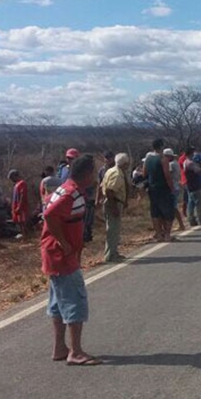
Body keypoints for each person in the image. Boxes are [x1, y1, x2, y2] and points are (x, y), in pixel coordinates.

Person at [41, 154, 101, 366]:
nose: (95, 176)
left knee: (58, 302)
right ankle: (75, 352)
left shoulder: (66, 187)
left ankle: (60, 347)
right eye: (93, 172)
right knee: (75, 300)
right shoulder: (71, 192)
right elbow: (49, 214)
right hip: (61, 255)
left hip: (54, 253)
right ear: (86, 174)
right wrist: (64, 243)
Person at [143, 138, 175, 242]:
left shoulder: (148, 158)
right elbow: (167, 175)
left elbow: (144, 173)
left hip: (152, 188)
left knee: (155, 211)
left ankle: (159, 234)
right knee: (168, 211)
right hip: (163, 188)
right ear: (161, 146)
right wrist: (172, 187)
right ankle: (167, 234)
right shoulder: (163, 159)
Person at [101, 153, 130, 263]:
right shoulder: (117, 174)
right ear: (124, 163)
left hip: (115, 202)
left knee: (115, 229)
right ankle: (110, 255)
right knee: (112, 230)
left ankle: (114, 252)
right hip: (113, 202)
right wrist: (114, 207)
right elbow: (109, 190)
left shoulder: (111, 170)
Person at [164, 148, 187, 232]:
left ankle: (180, 224)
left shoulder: (171, 165)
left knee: (173, 207)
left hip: (172, 187)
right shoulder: (175, 163)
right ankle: (181, 224)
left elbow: (167, 175)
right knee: (173, 207)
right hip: (176, 186)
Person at [184, 151, 201, 226]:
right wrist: (200, 166)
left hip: (189, 184)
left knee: (191, 203)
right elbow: (199, 171)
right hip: (195, 185)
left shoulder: (185, 162)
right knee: (199, 203)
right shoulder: (190, 163)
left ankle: (191, 220)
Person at [9, 169, 30, 240]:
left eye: (12, 178)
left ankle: (26, 237)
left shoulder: (22, 183)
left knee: (23, 222)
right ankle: (24, 236)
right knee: (20, 223)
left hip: (22, 207)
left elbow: (22, 195)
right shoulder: (16, 184)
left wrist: (19, 206)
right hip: (16, 206)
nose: (12, 180)